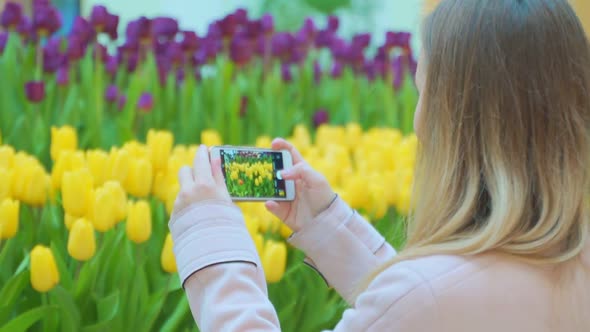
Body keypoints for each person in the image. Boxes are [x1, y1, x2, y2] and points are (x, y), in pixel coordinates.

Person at [168, 0, 590, 330]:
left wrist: (212, 239)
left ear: (453, 121)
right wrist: (329, 225)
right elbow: (437, 303)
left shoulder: (425, 297)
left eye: (421, 91)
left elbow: (427, 302)